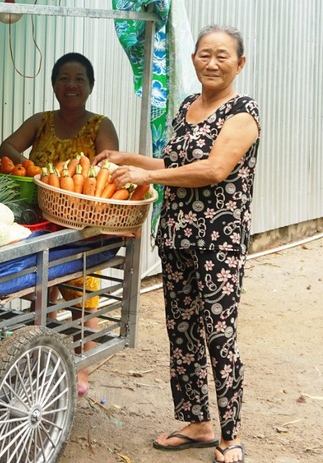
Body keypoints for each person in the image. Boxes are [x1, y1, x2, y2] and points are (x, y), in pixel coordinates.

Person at [93, 25, 259, 463]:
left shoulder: (242, 113)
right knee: (182, 329)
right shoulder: (188, 107)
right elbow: (173, 163)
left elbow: (213, 170)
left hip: (218, 242)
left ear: (239, 64)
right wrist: (127, 159)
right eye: (205, 54)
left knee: (219, 333)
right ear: (193, 59)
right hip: (178, 235)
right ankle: (197, 422)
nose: (212, 62)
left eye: (223, 55)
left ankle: (231, 433)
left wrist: (148, 177)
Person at [0, 52, 119, 397]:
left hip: (81, 223)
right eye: (64, 78)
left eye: (79, 79)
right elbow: (7, 146)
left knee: (83, 294)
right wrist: (31, 168)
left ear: (90, 86)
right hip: (41, 218)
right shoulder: (42, 121)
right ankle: (39, 354)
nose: (71, 85)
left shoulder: (100, 125)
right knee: (41, 289)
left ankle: (82, 369)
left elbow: (106, 169)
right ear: (54, 85)